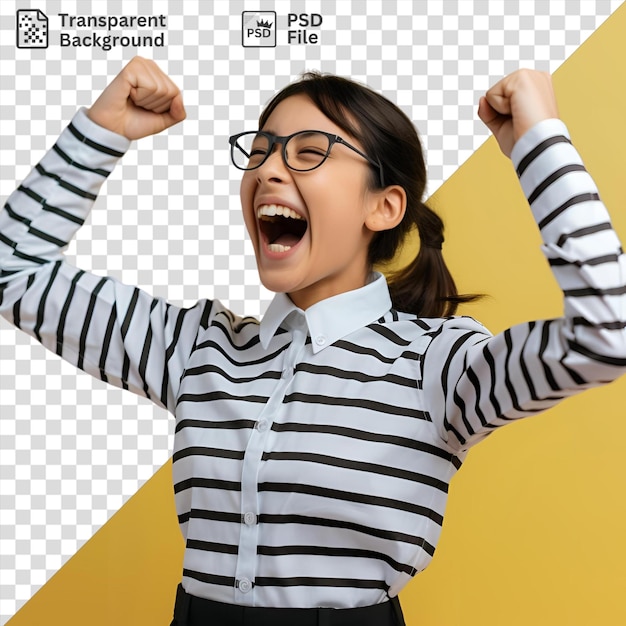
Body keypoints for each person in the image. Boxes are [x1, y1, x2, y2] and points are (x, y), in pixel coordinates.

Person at [1, 56, 625, 626]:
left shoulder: (437, 367)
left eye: (309, 152)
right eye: (264, 150)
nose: (269, 168)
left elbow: (607, 333)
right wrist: (102, 129)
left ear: (383, 207)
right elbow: (12, 274)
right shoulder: (197, 350)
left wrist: (538, 143)